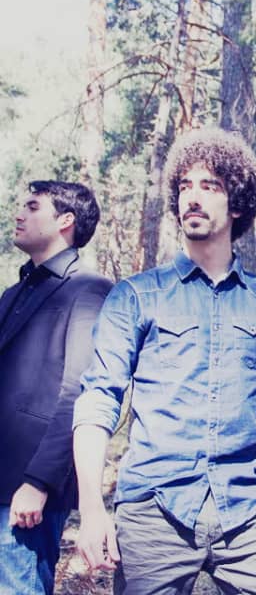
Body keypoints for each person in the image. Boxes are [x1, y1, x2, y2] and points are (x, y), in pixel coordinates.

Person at [72, 128, 256, 595]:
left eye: (210, 186)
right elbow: (97, 401)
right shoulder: (136, 295)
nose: (193, 196)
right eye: (185, 185)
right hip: (153, 510)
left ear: (238, 203)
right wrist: (91, 508)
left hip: (246, 509)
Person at [0, 180, 111, 594]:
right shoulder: (14, 293)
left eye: (32, 207)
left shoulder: (90, 289)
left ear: (66, 220)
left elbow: (81, 392)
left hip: (25, 492)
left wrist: (39, 482)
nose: (19, 214)